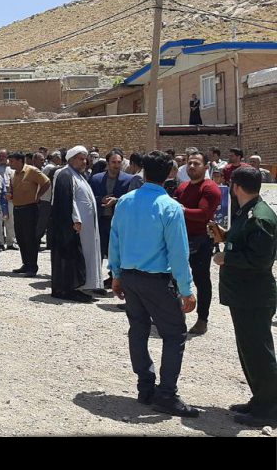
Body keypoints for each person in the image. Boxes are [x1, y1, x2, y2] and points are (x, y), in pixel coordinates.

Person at [110, 150, 198, 418]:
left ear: (144, 172)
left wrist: (116, 274)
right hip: (157, 280)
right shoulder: (170, 207)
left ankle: (145, 387)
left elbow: (114, 239)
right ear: (170, 173)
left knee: (138, 328)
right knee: (174, 334)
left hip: (130, 276)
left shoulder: (124, 201)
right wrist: (187, 290)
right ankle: (167, 394)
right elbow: (178, 253)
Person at [213, 167, 277, 427]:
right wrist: (225, 237)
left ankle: (269, 408)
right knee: (249, 351)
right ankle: (260, 399)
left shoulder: (260, 217)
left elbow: (259, 260)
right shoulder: (247, 212)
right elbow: (244, 242)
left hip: (254, 296)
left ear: (236, 186)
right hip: (243, 295)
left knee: (259, 354)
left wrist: (225, 257)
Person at [174, 151, 222, 336]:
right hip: (180, 239)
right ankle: (175, 315)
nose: (192, 166)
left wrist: (180, 209)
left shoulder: (210, 188)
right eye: (189, 163)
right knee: (174, 278)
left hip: (200, 241)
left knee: (201, 280)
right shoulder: (183, 187)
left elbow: (203, 215)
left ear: (206, 167)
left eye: (196, 163)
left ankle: (202, 319)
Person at [49, 146, 100, 302]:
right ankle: (70, 288)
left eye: (85, 159)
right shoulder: (65, 174)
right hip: (74, 228)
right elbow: (66, 200)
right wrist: (75, 219)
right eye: (80, 158)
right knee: (73, 257)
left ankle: (82, 285)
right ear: (71, 159)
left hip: (85, 228)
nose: (84, 161)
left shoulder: (79, 175)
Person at [89, 150, 135, 288]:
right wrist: (100, 199)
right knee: (98, 251)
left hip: (118, 222)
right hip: (100, 220)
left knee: (116, 252)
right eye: (113, 162)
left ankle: (114, 278)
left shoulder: (129, 179)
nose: (116, 165)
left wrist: (117, 200)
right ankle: (95, 281)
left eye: (119, 162)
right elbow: (89, 198)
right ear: (107, 163)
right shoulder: (96, 179)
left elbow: (132, 199)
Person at [8, 151, 50, 278]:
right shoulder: (13, 174)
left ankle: (32, 266)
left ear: (20, 161)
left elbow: (46, 182)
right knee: (20, 238)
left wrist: (38, 196)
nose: (10, 164)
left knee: (30, 239)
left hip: (30, 209)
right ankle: (25, 264)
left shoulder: (31, 171)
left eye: (12, 161)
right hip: (17, 209)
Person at [0, 149, 17, 251]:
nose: (1, 158)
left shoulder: (12, 168)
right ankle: (0, 242)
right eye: (0, 156)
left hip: (10, 198)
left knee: (11, 220)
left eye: (3, 156)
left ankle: (11, 242)